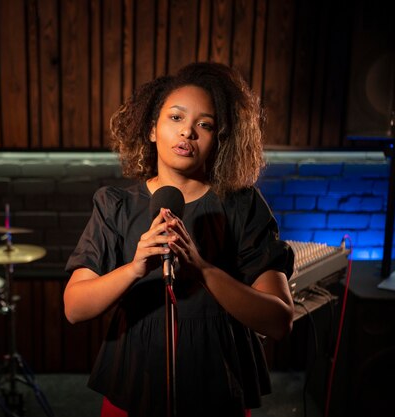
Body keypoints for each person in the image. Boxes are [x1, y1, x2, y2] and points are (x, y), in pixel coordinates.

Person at [63, 62, 295, 417]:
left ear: (218, 139)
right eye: (176, 118)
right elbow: (75, 308)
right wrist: (134, 268)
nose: (188, 131)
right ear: (152, 129)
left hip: (216, 378)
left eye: (204, 124)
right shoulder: (116, 205)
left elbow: (279, 320)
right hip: (135, 377)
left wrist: (203, 270)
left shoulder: (241, 205)